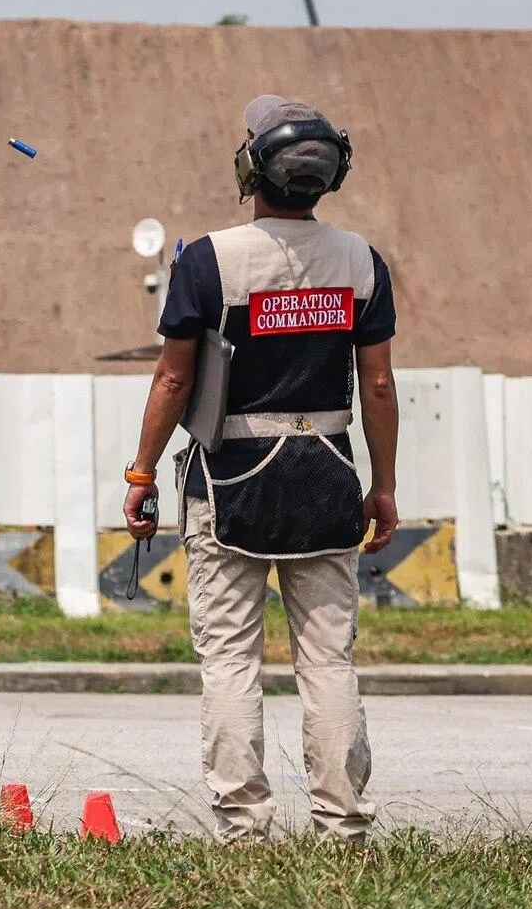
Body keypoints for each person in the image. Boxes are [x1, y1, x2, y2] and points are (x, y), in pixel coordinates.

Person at [123, 94, 398, 845]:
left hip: (228, 481)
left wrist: (142, 473)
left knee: (231, 660)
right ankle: (343, 826)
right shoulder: (361, 262)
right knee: (329, 659)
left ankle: (244, 827)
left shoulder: (208, 260)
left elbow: (174, 380)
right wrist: (384, 487)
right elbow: (376, 384)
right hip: (328, 476)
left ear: (251, 170)